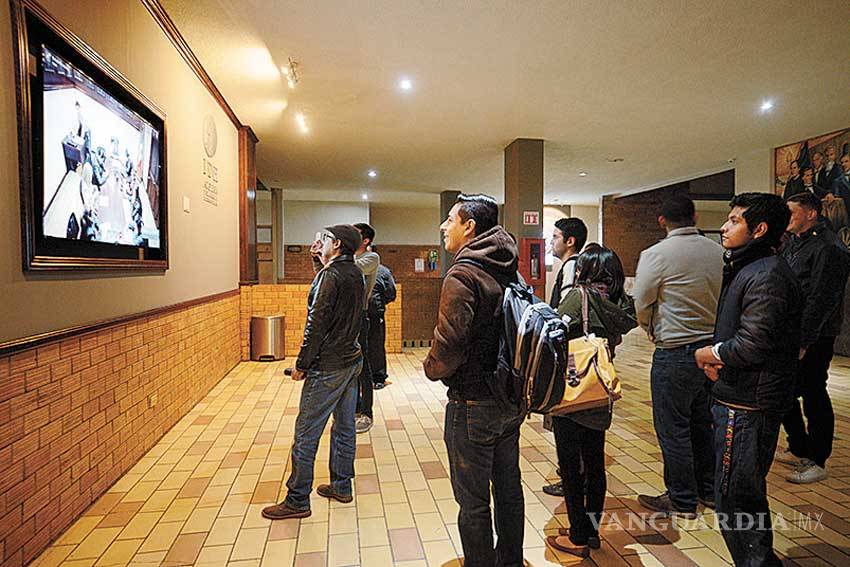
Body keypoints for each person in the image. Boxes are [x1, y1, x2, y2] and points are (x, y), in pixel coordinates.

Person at [694, 192, 801, 567]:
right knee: (738, 494)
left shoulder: (766, 273)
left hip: (747, 404)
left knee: (737, 497)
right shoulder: (751, 268)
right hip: (740, 395)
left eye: (735, 220)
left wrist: (710, 354)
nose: (724, 226)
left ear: (759, 229)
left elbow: (753, 343)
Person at [423, 194, 524, 567]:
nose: (443, 226)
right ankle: (510, 561)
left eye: (450, 220)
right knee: (509, 490)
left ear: (470, 227)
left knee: (473, 501)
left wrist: (431, 367)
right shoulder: (510, 268)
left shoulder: (463, 274)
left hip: (472, 403)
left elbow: (449, 344)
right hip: (510, 399)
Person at [262, 225, 365, 520]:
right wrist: (317, 261)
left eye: (327, 240)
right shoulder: (353, 272)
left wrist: (302, 364)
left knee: (306, 434)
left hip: (328, 366)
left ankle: (297, 500)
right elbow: (331, 297)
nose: (322, 243)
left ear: (339, 245)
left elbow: (316, 322)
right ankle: (342, 486)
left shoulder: (331, 276)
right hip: (350, 360)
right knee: (345, 427)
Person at [632, 195, 723, 517]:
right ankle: (710, 492)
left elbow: (642, 301)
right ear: (695, 215)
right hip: (713, 350)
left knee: (673, 427)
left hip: (676, 351)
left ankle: (682, 499)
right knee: (705, 423)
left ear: (661, 220)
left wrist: (648, 328)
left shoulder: (656, 254)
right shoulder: (718, 251)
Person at [545, 247, 636, 559]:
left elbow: (552, 334)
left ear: (584, 271)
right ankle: (593, 531)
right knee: (595, 462)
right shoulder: (619, 302)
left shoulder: (579, 296)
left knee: (571, 466)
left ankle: (578, 536)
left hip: (573, 390)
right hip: (599, 390)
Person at [776, 192, 850, 483]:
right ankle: (798, 446)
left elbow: (822, 298)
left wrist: (805, 340)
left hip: (815, 335)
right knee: (784, 391)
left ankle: (817, 459)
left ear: (811, 213)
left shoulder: (829, 247)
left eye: (792, 213)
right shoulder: (794, 243)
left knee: (814, 393)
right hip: (791, 331)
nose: (787, 219)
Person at [542, 217, 588, 497]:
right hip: (577, 349)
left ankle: (573, 475)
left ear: (570, 241)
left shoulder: (572, 267)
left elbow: (568, 313)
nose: (551, 241)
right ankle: (574, 472)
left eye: (555, 236)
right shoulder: (576, 265)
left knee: (568, 414)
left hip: (571, 351)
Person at [352, 223, 380, 434]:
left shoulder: (371, 258)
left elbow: (350, 268)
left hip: (360, 317)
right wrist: (318, 257)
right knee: (349, 366)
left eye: (355, 234)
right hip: (345, 318)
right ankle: (352, 409)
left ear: (366, 241)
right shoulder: (346, 258)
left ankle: (366, 413)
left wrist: (332, 255)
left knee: (363, 366)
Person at [368, 260, 397, 390]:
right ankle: (377, 378)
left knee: (373, 345)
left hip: (363, 314)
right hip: (375, 312)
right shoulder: (383, 271)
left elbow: (391, 293)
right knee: (376, 344)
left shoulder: (382, 271)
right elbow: (391, 293)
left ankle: (375, 377)